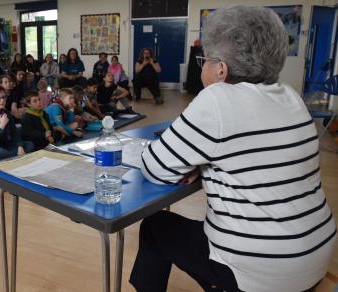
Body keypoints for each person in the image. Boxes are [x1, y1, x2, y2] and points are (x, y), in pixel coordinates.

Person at [130, 6, 336, 292]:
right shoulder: (289, 95)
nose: (202, 66)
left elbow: (154, 168)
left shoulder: (218, 98)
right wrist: (207, 167)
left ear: (221, 70)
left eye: (205, 60)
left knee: (155, 227)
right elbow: (258, 160)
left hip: (264, 269)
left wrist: (196, 164)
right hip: (314, 252)